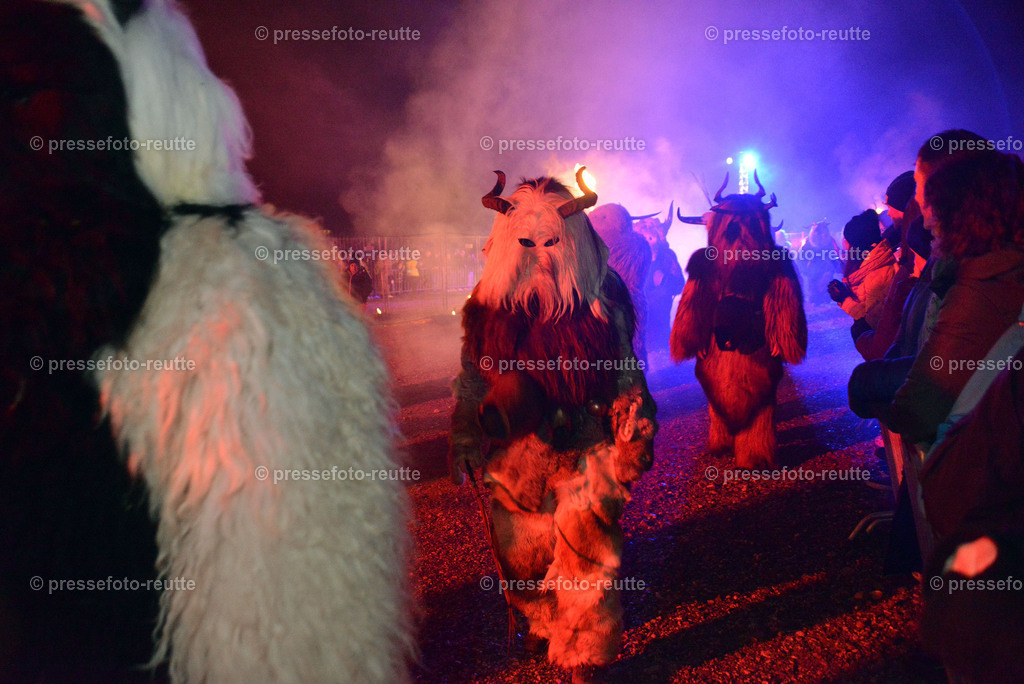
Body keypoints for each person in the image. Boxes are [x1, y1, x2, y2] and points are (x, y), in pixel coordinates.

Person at [853, 143, 1024, 445]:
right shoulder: (964, 270)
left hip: (976, 472)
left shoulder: (977, 280)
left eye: (922, 189)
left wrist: (870, 386)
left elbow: (926, 399)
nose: (920, 208)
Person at [827, 209, 899, 344]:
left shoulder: (878, 275)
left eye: (847, 240)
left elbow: (873, 323)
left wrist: (844, 299)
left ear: (857, 245)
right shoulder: (869, 267)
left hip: (882, 348)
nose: (844, 243)